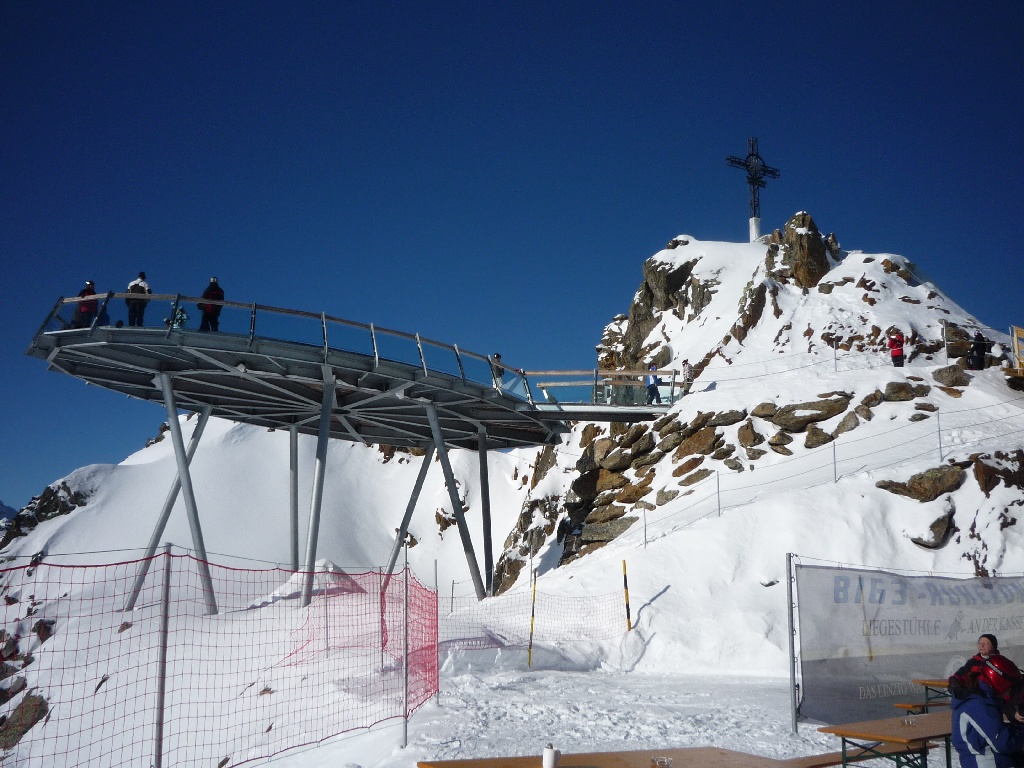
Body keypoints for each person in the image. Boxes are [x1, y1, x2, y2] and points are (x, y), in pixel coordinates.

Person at [950, 654, 1024, 768]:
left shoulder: (984, 698)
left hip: (995, 760)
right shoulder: (978, 704)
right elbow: (1003, 743)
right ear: (1001, 683)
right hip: (985, 762)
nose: (1010, 693)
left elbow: (994, 731)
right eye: (1010, 688)